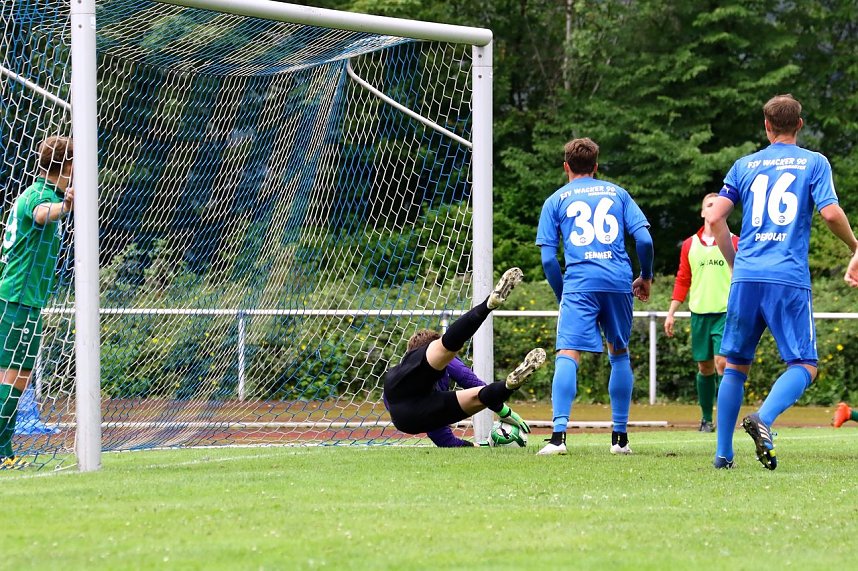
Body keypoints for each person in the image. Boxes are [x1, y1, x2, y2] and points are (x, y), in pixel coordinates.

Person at [707, 94, 858, 470]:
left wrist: (735, 261)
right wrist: (856, 245)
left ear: (766, 126)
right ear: (800, 125)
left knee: (734, 366)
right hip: (787, 277)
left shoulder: (745, 165)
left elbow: (715, 219)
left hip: (746, 277)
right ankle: (765, 419)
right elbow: (830, 212)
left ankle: (723, 455)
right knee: (804, 364)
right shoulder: (814, 163)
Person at [535, 137, 654, 456]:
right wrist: (646, 276)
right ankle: (620, 439)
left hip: (580, 283)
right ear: (596, 167)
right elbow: (644, 239)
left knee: (568, 353)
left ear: (566, 167)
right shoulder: (618, 193)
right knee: (619, 353)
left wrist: (564, 294)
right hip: (617, 280)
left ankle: (558, 437)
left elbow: (548, 259)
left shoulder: (555, 200)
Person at [384, 267, 547, 442]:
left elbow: (442, 436)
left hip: (409, 419)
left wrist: (481, 446)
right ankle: (487, 306)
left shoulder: (404, 373)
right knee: (477, 391)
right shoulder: (443, 361)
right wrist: (503, 410)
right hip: (417, 401)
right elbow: (473, 382)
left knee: (478, 394)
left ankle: (508, 384)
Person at [0, 135, 74, 470]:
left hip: (22, 302)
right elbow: (43, 214)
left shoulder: (38, 191)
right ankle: (2, 452)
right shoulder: (40, 196)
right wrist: (66, 207)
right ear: (68, 166)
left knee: (17, 379)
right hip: (16, 301)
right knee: (13, 377)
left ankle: (6, 451)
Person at [664, 193, 739, 432]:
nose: (714, 208)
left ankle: (726, 417)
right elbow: (683, 279)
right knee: (705, 367)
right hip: (699, 314)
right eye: (709, 204)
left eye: (718, 204)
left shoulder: (735, 242)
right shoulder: (689, 245)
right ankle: (706, 418)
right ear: (703, 212)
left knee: (723, 363)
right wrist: (671, 312)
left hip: (725, 313)